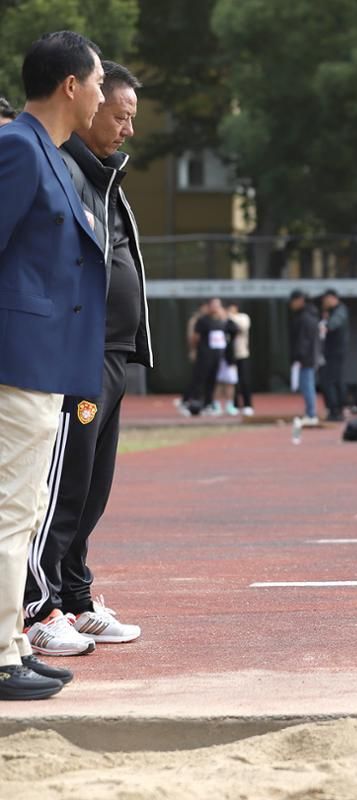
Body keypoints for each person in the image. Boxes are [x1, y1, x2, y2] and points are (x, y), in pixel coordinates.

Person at [26, 59, 152, 659]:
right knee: (62, 487)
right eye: (118, 113)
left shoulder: (106, 178)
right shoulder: (57, 168)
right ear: (86, 102)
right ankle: (38, 605)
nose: (128, 128)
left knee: (92, 489)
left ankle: (75, 596)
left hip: (115, 354)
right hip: (79, 352)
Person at [0, 30, 107, 699]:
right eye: (97, 83)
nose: (101, 96)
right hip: (18, 360)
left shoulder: (50, 153)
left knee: (27, 508)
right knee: (12, 510)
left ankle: (13, 640)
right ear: (71, 85)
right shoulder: (18, 147)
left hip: (44, 363)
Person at [189, 298, 231, 414]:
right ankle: (195, 404)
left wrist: (225, 316)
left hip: (217, 356)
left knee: (212, 380)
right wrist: (194, 350)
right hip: (204, 355)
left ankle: (208, 404)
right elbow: (195, 337)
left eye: (218, 305)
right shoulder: (202, 320)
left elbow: (234, 329)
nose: (216, 307)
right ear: (209, 306)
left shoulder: (222, 321)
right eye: (214, 305)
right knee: (200, 379)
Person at [288, 290, 321, 423]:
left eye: (293, 301)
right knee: (307, 385)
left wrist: (299, 356)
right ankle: (310, 413)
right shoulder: (310, 315)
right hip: (309, 356)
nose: (291, 304)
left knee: (307, 385)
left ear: (300, 300)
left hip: (306, 357)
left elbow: (304, 340)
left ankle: (311, 414)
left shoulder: (305, 318)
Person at [319, 289, 348, 421]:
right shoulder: (332, 312)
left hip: (335, 351)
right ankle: (335, 408)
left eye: (325, 300)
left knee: (331, 380)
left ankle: (336, 409)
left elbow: (334, 324)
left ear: (332, 298)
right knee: (333, 380)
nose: (324, 303)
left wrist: (327, 324)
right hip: (331, 351)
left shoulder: (340, 311)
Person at [227, 301, 254, 416]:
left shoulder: (243, 317)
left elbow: (242, 327)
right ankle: (234, 405)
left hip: (242, 354)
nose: (230, 310)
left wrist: (230, 316)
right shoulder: (225, 320)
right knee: (232, 381)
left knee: (244, 380)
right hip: (229, 356)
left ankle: (248, 405)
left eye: (232, 308)